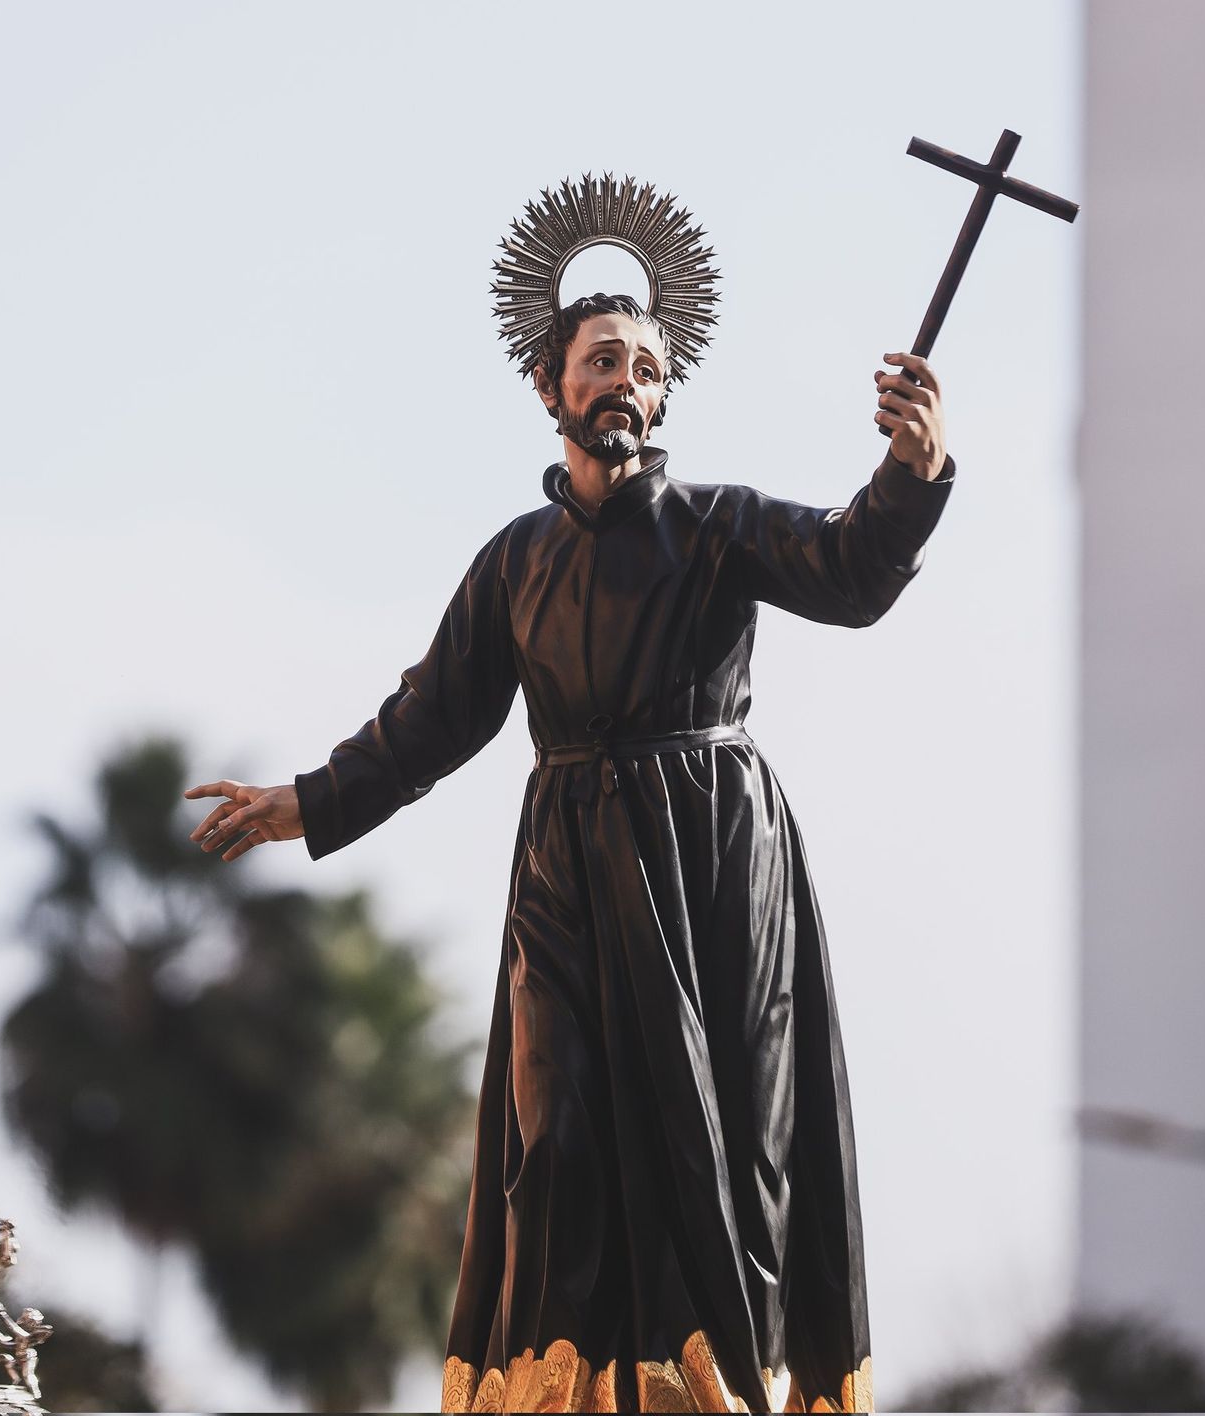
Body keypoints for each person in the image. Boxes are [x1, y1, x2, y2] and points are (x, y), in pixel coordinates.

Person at [186, 181, 953, 1415]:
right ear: (551, 387)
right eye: (602, 361)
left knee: (728, 1154)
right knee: (558, 1149)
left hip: (713, 863)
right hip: (570, 877)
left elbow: (853, 567)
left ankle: (718, 1392)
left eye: (647, 365)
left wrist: (913, 468)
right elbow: (431, 720)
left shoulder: (720, 528)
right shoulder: (514, 565)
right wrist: (301, 803)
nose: (627, 382)